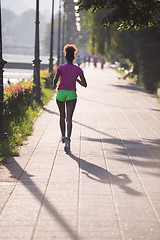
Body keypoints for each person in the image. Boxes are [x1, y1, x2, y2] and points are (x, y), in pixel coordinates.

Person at [52, 44, 87, 153]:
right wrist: (76, 80)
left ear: (66, 57)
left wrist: (54, 86)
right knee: (69, 118)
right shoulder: (78, 69)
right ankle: (68, 139)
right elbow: (85, 84)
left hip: (61, 94)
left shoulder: (60, 68)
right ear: (74, 57)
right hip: (72, 94)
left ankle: (63, 136)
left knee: (62, 116)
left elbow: (55, 81)